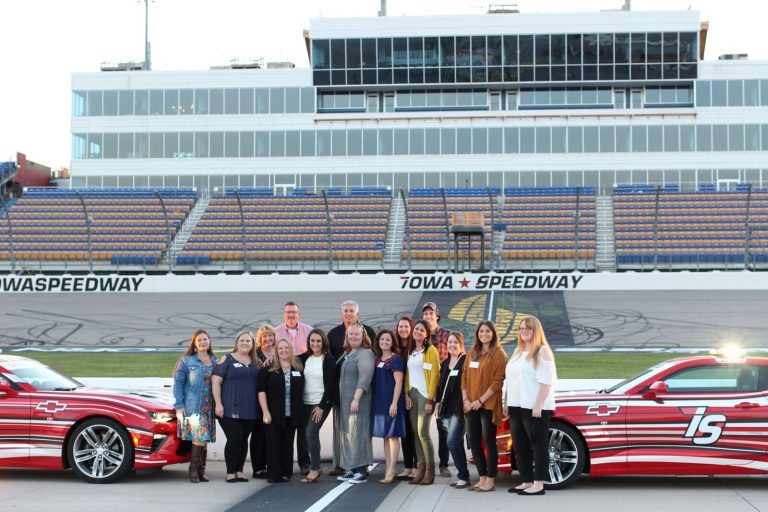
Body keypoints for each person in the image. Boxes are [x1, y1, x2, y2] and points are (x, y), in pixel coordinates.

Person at [504, 316, 557, 496]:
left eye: (527, 328)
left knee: (538, 444)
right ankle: (526, 480)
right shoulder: (518, 351)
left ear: (536, 330)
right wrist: (506, 401)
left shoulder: (543, 352)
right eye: (520, 328)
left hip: (534, 406)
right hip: (516, 405)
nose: (523, 331)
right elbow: (510, 379)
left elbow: (546, 382)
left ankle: (538, 484)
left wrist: (538, 405)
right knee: (520, 445)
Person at [461, 320, 507, 492]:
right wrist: (466, 400)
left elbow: (497, 383)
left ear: (493, 334)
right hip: (470, 405)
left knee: (489, 442)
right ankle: (481, 478)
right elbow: (464, 377)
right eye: (481, 331)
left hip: (487, 405)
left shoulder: (499, 354)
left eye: (488, 331)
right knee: (474, 441)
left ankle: (490, 480)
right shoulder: (472, 352)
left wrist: (479, 401)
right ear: (477, 333)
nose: (484, 334)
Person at [212, 330, 261, 483]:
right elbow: (216, 382)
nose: (245, 343)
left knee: (243, 439)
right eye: (242, 340)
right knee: (234, 438)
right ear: (237, 342)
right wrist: (218, 403)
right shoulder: (226, 359)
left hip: (250, 409)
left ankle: (239, 471)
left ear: (253, 344)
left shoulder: (256, 362)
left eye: (248, 341)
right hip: (229, 408)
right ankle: (230, 472)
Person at [173, 329, 218, 483]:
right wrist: (179, 406)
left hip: (209, 407)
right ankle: (193, 470)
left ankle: (201, 471)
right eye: (199, 340)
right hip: (193, 407)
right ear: (194, 343)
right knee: (199, 437)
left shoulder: (215, 360)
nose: (203, 342)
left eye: (205, 339)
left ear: (209, 341)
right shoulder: (187, 361)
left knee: (203, 440)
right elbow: (178, 384)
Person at [257, 338, 305, 483]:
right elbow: (261, 391)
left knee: (287, 444)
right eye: (280, 349)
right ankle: (274, 474)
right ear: (276, 352)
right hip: (273, 414)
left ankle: (286, 473)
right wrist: (265, 411)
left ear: (291, 349)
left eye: (286, 348)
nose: (284, 351)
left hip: (293, 414)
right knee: (273, 444)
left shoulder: (298, 366)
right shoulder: (269, 368)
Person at [335, 324, 376, 484]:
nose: (353, 337)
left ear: (363, 336)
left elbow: (365, 378)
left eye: (357, 334)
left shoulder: (366, 354)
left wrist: (356, 398)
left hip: (358, 401)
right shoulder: (347, 353)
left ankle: (361, 471)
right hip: (345, 402)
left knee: (359, 433)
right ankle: (350, 469)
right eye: (350, 334)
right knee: (348, 434)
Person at [275, 301, 313, 474]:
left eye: (294, 312)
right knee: (286, 429)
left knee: (303, 429)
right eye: (288, 312)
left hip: (301, 374)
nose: (291, 315)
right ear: (284, 314)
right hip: (282, 374)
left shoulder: (308, 330)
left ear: (299, 314)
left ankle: (305, 463)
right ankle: (284, 463)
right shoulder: (276, 332)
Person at [404, 320, 440, 486]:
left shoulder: (430, 351)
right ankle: (420, 470)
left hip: (425, 396)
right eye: (416, 329)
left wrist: (430, 399)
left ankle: (430, 472)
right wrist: (406, 394)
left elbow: (434, 376)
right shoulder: (411, 351)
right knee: (415, 434)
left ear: (426, 334)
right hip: (413, 394)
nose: (418, 331)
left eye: (421, 330)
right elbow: (407, 374)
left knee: (423, 433)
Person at [298, 328, 336, 483]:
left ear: (323, 342)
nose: (315, 344)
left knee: (311, 433)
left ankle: (315, 469)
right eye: (312, 341)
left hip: (320, 404)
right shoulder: (304, 358)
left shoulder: (328, 359)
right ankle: (313, 466)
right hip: (304, 403)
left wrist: (321, 406)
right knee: (305, 435)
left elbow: (330, 385)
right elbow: (285, 359)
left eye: (318, 341)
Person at [370, 329, 406, 484]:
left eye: (388, 340)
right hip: (379, 402)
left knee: (393, 435)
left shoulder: (396, 360)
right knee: (386, 436)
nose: (384, 342)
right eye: (382, 339)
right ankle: (388, 468)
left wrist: (394, 403)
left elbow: (399, 382)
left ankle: (392, 469)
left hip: (391, 402)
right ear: (378, 341)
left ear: (392, 343)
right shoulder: (376, 359)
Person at [436, 331, 470, 488]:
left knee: (451, 442)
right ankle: (463, 476)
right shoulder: (445, 363)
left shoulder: (466, 361)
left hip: (460, 409)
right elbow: (440, 386)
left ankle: (463, 475)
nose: (452, 345)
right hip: (448, 410)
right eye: (449, 342)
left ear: (461, 344)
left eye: (455, 342)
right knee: (457, 442)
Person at [422, 301, 452, 477]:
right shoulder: (420, 336)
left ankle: (444, 464)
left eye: (430, 314)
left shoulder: (446, 335)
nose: (428, 316)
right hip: (424, 386)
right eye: (425, 314)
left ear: (436, 315)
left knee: (443, 427)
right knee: (421, 428)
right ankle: (424, 463)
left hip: (442, 387)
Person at [250, 324, 277, 478]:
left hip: (275, 399)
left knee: (271, 434)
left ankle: (269, 465)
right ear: (260, 339)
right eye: (264, 336)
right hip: (258, 398)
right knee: (258, 434)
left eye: (270, 335)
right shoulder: (256, 354)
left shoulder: (278, 351)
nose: (268, 338)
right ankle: (258, 467)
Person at [394, 315, 417, 480]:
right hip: (397, 395)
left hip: (411, 395)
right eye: (400, 326)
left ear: (411, 329)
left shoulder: (414, 348)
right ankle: (407, 467)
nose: (403, 329)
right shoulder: (394, 348)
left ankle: (417, 466)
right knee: (404, 432)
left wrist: (407, 394)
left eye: (406, 327)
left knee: (414, 431)